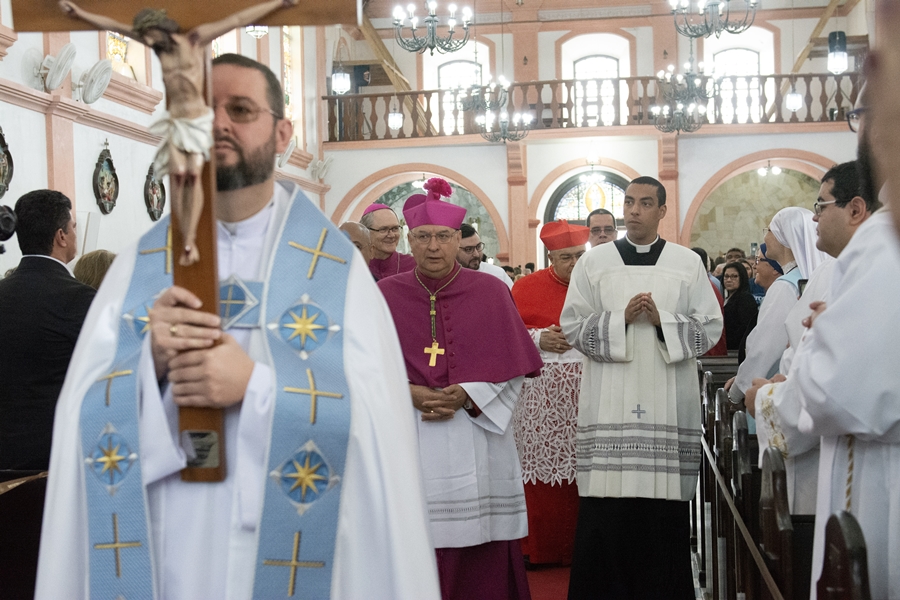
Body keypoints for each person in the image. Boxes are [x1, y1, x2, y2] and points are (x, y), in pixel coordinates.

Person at [36, 54, 439, 600]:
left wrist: (255, 387)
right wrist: (147, 363)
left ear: (282, 134)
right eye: (205, 112)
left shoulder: (337, 274)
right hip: (166, 544)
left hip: (284, 537)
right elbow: (81, 415)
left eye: (241, 110)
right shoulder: (137, 267)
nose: (219, 124)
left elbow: (380, 431)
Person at [377, 177, 543, 600]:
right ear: (409, 241)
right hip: (409, 433)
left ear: (458, 239)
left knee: (481, 544)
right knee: (413, 535)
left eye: (443, 236)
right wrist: (409, 392)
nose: (433, 246)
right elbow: (365, 369)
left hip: (476, 434)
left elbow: (515, 367)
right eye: (423, 237)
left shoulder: (492, 291)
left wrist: (469, 394)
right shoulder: (384, 295)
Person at [560, 176, 722, 599]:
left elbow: (710, 328)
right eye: (629, 202)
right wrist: (622, 320)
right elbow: (573, 326)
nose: (633, 210)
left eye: (645, 203)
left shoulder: (687, 263)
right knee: (607, 511)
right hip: (608, 405)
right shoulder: (594, 263)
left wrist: (663, 321)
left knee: (660, 518)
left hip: (667, 403)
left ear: (662, 211)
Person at [60, 0, 299, 267]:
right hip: (175, 122)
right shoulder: (158, 47)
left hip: (196, 120)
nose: (149, 40)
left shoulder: (194, 41)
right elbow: (116, 26)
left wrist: (278, 2)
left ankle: (189, 239)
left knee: (193, 176)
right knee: (178, 176)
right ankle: (184, 235)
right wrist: (81, 13)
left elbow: (237, 19)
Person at [746, 160, 878, 515]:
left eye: (821, 205)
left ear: (855, 209)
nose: (814, 217)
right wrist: (786, 380)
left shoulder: (863, 275)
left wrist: (767, 399)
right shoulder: (834, 270)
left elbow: (838, 390)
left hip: (845, 460)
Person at [510, 220, 589, 567]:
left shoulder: (598, 284)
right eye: (566, 257)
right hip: (539, 400)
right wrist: (539, 338)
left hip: (587, 394)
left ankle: (585, 549)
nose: (574, 263)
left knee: (585, 470)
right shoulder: (525, 287)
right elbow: (507, 333)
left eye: (579, 255)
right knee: (540, 474)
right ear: (551, 258)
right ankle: (540, 549)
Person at [0, 190, 95, 470]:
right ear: (61, 236)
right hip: (53, 459)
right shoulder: (79, 298)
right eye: (73, 227)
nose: (75, 233)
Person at [729, 206, 828, 403]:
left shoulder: (784, 286)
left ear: (784, 236)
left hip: (773, 391)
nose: (765, 237)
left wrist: (736, 392)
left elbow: (764, 349)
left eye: (769, 230)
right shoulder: (812, 276)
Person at [360, 203, 417, 279]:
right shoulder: (356, 266)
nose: (392, 235)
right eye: (383, 229)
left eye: (395, 228)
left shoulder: (415, 266)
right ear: (366, 232)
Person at [456, 223, 513, 288]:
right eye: (468, 249)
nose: (476, 254)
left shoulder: (498, 274)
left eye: (478, 247)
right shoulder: (448, 278)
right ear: (454, 250)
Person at [720, 261, 758, 352]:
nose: (729, 280)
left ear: (742, 278)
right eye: (726, 276)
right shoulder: (725, 298)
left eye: (734, 276)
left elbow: (745, 328)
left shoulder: (746, 299)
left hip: (737, 350)